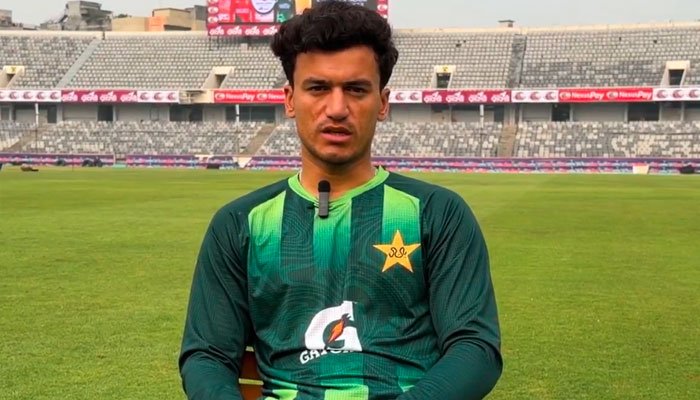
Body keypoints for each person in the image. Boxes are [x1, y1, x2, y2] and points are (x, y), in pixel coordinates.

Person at [178, 2, 502, 399]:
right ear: (289, 99)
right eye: (318, 88)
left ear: (382, 103)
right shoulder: (239, 224)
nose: (337, 109)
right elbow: (207, 356)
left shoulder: (438, 214)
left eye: (356, 89)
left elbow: (475, 347)